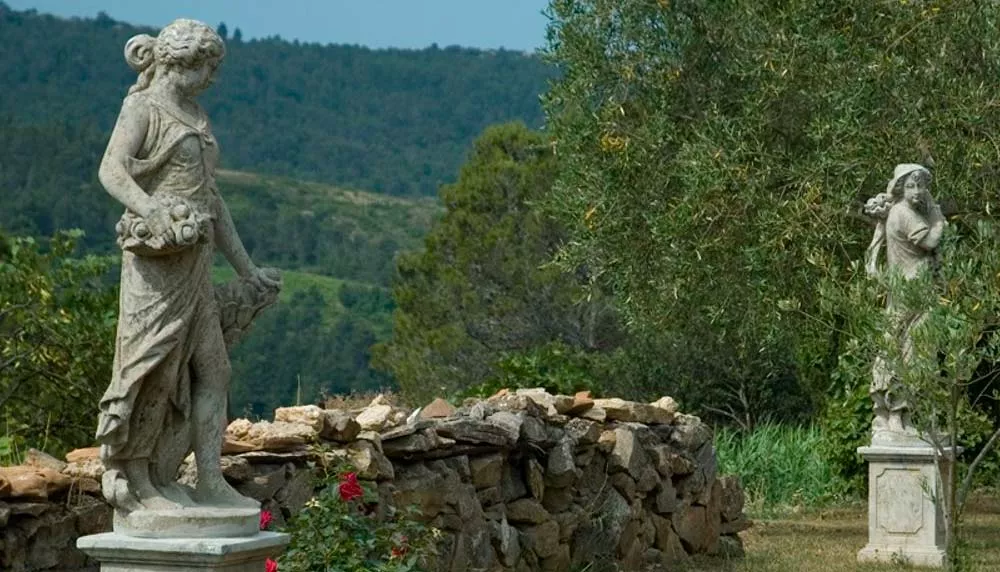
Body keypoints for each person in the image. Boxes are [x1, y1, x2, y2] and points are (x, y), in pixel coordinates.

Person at [96, 19, 279, 512]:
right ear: (179, 63)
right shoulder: (143, 107)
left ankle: (209, 480)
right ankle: (138, 480)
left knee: (215, 371)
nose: (212, 78)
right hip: (157, 268)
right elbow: (111, 169)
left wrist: (246, 270)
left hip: (195, 264)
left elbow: (211, 200)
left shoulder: (196, 114)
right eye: (207, 67)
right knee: (153, 371)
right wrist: (152, 210)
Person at [864, 163, 946, 440]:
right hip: (910, 293)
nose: (917, 191)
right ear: (900, 188)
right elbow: (931, 241)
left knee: (914, 349)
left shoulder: (904, 211)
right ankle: (895, 412)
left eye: (921, 186)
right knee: (906, 349)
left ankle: (907, 414)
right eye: (911, 186)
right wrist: (937, 217)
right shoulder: (904, 213)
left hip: (917, 293)